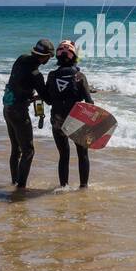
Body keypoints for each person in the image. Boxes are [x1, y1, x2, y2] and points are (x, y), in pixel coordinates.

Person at [3, 38, 54, 188]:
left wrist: (32, 95)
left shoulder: (21, 59)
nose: (50, 59)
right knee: (29, 151)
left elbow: (20, 84)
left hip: (8, 108)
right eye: (49, 56)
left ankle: (14, 181)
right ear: (44, 57)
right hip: (19, 113)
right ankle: (20, 188)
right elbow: (49, 100)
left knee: (16, 149)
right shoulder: (36, 75)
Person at [46, 40, 93, 188]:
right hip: (76, 120)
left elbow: (48, 101)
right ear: (74, 57)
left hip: (57, 120)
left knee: (63, 156)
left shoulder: (52, 75)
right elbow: (89, 103)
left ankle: (63, 187)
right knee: (82, 155)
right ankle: (83, 187)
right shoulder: (79, 76)